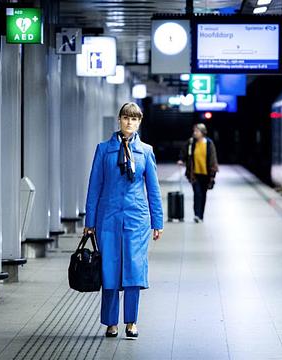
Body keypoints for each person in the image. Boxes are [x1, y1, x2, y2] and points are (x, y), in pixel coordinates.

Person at [84, 102, 164, 339]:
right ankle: (111, 323)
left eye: (135, 119)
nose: (130, 123)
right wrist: (90, 221)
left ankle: (131, 321)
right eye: (126, 118)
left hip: (137, 219)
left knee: (133, 269)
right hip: (107, 218)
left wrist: (157, 222)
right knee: (109, 269)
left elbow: (153, 189)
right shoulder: (103, 150)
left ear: (139, 123)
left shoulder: (146, 152)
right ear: (119, 120)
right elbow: (94, 187)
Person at [177, 123, 219, 223]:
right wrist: (181, 160)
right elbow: (184, 151)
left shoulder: (209, 143)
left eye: (197, 131)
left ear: (202, 132)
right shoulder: (191, 142)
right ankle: (196, 214)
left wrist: (213, 173)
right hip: (194, 173)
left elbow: (213, 158)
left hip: (206, 174)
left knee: (203, 194)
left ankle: (201, 215)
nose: (194, 133)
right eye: (194, 131)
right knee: (197, 193)